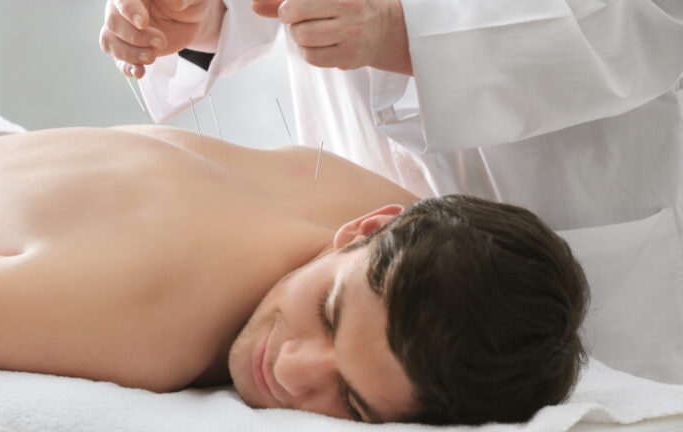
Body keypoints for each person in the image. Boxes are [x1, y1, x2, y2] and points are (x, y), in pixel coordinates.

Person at [99, 0, 683, 384]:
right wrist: (212, 18)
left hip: (575, 201)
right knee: (331, 370)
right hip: (355, 234)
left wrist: (407, 32)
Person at [0, 126, 588, 425]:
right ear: (364, 229)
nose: (292, 370)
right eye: (327, 313)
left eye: (350, 402)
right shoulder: (147, 324)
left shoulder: (400, 217)